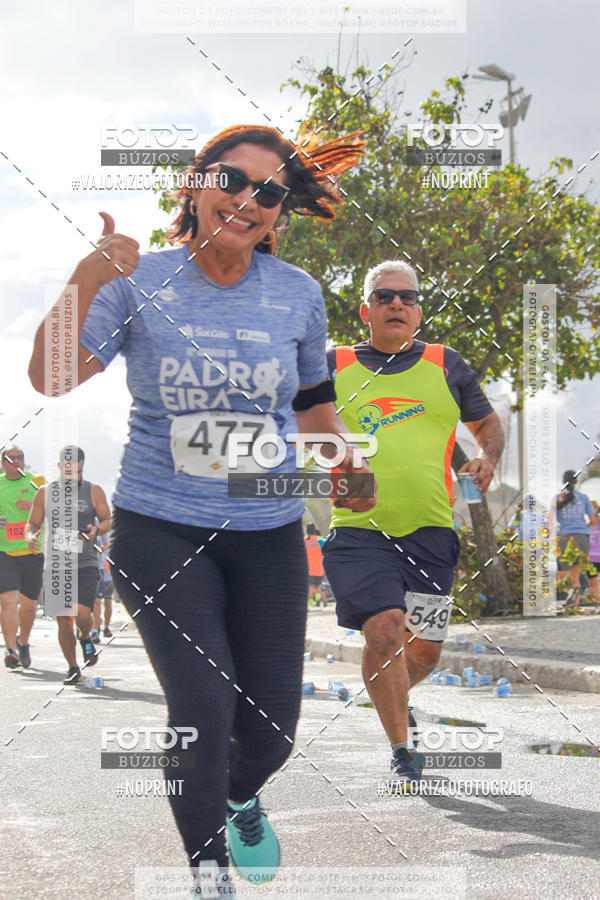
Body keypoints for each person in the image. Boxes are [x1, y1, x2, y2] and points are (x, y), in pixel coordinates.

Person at [28, 125, 374, 897]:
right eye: (231, 179)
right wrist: (88, 275)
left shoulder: (298, 296)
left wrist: (341, 458)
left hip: (267, 525)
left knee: (273, 730)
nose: (247, 201)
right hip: (159, 528)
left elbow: (313, 403)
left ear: (281, 211)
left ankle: (242, 794)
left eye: (270, 192)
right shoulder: (136, 279)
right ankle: (207, 869)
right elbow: (50, 379)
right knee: (203, 704)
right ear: (195, 181)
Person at [322, 260, 505, 792]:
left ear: (420, 310)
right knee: (383, 631)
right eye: (384, 296)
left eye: (407, 296)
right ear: (366, 310)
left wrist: (487, 456)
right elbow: (295, 424)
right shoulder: (331, 364)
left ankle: (394, 700)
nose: (396, 304)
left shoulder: (446, 365)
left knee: (423, 650)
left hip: (430, 532)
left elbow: (487, 424)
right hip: (358, 530)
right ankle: (403, 750)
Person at [25, 446, 111, 684]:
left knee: (83, 613)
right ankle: (73, 667)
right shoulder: (44, 492)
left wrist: (97, 529)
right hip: (56, 563)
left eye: (79, 471)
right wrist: (31, 536)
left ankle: (85, 636)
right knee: (63, 617)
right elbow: (32, 523)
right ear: (60, 467)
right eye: (70, 471)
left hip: (85, 561)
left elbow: (106, 520)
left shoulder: (93, 491)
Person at [0, 445, 46, 668]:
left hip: (32, 550)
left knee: (28, 605)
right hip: (4, 551)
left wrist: (34, 506)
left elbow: (57, 509)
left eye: (20, 457)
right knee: (7, 600)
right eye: (12, 458)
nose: (17, 461)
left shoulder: (36, 481)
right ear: (3, 463)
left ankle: (23, 641)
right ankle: (10, 651)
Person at [550, 470, 599, 608]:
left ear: (562, 481)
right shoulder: (584, 498)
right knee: (575, 573)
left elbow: (549, 521)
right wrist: (583, 528)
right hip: (582, 538)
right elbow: (593, 520)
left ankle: (573, 595)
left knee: (562, 574)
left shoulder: (556, 498)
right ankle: (575, 602)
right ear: (576, 482)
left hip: (564, 538)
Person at [93, 536, 114, 639]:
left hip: (108, 576)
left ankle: (106, 627)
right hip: (95, 570)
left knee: (107, 602)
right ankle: (95, 627)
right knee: (96, 603)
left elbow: (106, 545)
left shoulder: (105, 531)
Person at [304, 523, 325, 606]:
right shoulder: (320, 540)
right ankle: (318, 599)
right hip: (320, 569)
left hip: (309, 569)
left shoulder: (305, 541)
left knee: (309, 588)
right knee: (317, 586)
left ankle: (311, 604)